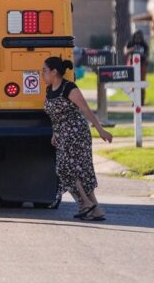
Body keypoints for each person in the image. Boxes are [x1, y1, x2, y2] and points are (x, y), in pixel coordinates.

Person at [42, 57, 113, 221]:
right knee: (75, 171)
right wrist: (54, 132)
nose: (42, 74)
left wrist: (101, 130)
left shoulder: (69, 87)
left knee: (68, 168)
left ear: (54, 72)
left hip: (76, 132)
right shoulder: (49, 90)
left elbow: (85, 109)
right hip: (62, 133)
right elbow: (54, 116)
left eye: (44, 70)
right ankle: (96, 210)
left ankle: (85, 204)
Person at [124, 30, 149, 104]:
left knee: (141, 82)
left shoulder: (144, 45)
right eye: (137, 36)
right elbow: (125, 52)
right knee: (133, 83)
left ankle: (142, 100)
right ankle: (134, 100)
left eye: (140, 36)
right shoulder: (130, 43)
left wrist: (141, 54)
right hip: (132, 64)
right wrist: (133, 49)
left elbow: (147, 54)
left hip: (142, 64)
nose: (138, 38)